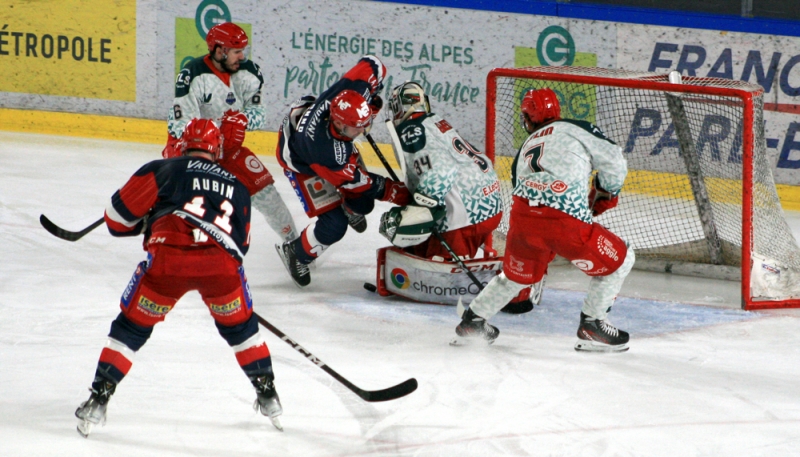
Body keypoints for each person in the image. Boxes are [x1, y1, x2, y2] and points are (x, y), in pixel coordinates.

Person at [75, 119, 283, 437]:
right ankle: (269, 396)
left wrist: (148, 222)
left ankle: (97, 400)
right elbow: (241, 246)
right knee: (241, 329)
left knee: (131, 328)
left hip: (168, 264)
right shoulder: (239, 185)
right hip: (221, 269)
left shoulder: (163, 169)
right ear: (217, 149)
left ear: (183, 145)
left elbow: (116, 221)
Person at [453, 88, 635, 352]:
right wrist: (607, 191)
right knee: (621, 260)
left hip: (522, 221)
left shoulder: (525, 148)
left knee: (515, 276)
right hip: (565, 221)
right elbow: (614, 160)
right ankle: (593, 325)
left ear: (528, 117)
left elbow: (520, 187)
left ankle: (473, 322)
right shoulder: (576, 128)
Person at [378, 81, 542, 312]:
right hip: (489, 208)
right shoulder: (434, 121)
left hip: (463, 218)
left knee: (426, 261)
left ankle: (513, 289)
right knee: (420, 246)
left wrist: (423, 208)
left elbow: (440, 171)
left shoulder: (411, 129)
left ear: (397, 107)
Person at [275, 55, 410, 287]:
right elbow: (360, 181)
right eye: (356, 128)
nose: (362, 132)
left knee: (363, 204)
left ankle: (349, 207)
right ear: (338, 124)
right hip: (302, 162)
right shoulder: (327, 152)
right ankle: (296, 253)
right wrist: (395, 192)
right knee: (334, 226)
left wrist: (372, 91)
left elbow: (373, 64)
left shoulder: (350, 94)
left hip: (322, 142)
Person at [162, 22, 299, 251]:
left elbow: (259, 115)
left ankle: (295, 246)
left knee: (266, 193)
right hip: (191, 151)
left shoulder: (249, 73)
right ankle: (175, 245)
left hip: (228, 147)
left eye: (243, 50)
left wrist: (242, 119)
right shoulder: (192, 74)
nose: (242, 56)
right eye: (236, 51)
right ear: (219, 50)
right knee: (193, 205)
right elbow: (179, 126)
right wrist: (217, 128)